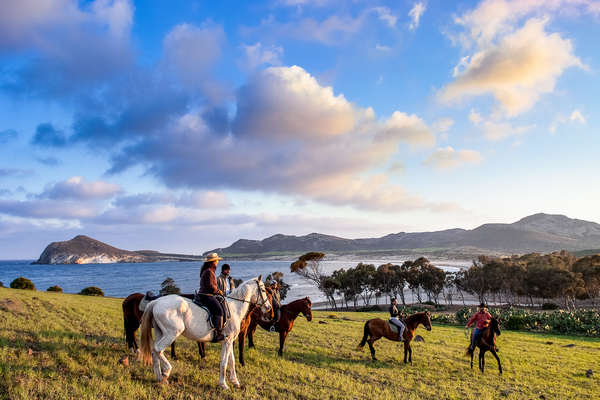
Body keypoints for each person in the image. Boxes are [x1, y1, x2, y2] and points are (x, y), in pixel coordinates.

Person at [195, 252, 226, 342]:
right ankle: (218, 333)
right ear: (213, 262)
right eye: (216, 261)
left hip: (205, 294)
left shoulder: (208, 270)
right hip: (206, 295)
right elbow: (210, 286)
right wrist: (218, 291)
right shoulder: (209, 271)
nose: (217, 262)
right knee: (219, 310)